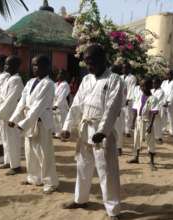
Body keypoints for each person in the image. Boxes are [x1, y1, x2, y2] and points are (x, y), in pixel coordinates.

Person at [61, 44, 123, 220]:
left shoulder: (114, 79)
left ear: (103, 59)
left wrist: (103, 130)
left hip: (102, 132)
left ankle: (113, 211)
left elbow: (112, 107)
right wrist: (67, 126)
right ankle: (80, 199)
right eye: (87, 63)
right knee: (82, 166)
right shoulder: (87, 79)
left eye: (93, 62)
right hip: (85, 129)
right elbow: (76, 104)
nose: (90, 66)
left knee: (107, 171)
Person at [9, 55, 59, 194]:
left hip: (41, 121)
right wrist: (14, 118)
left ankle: (50, 182)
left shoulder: (49, 84)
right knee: (30, 151)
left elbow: (39, 106)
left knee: (44, 153)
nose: (34, 68)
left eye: (37, 65)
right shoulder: (30, 82)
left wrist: (23, 124)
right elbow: (22, 102)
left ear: (46, 67)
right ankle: (34, 177)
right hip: (29, 120)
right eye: (33, 65)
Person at [0, 55, 24, 176]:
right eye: (5, 64)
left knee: (13, 140)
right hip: (4, 114)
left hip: (11, 114)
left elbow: (10, 100)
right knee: (5, 139)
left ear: (16, 66)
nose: (5, 66)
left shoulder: (16, 80)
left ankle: (16, 166)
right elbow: (0, 98)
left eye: (8, 64)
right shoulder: (8, 79)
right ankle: (8, 161)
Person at [127, 77, 158, 171]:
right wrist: (132, 122)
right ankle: (136, 157)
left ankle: (152, 161)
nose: (142, 87)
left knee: (150, 141)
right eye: (141, 85)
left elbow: (153, 112)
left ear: (149, 86)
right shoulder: (139, 97)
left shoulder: (153, 98)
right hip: (138, 121)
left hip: (147, 122)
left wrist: (151, 125)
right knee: (136, 140)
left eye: (144, 85)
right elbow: (135, 110)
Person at [111, 64, 126, 156]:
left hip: (118, 109)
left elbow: (123, 96)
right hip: (108, 108)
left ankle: (119, 147)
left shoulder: (122, 82)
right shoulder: (109, 80)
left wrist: (120, 107)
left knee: (118, 129)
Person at [161, 70, 173, 137]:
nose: (167, 76)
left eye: (169, 74)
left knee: (171, 117)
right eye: (167, 74)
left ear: (172, 75)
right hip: (162, 100)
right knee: (162, 116)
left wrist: (168, 101)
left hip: (170, 102)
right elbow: (161, 91)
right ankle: (163, 128)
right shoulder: (164, 82)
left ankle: (172, 131)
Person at [53, 69, 70, 139]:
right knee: (55, 119)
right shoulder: (55, 84)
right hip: (54, 103)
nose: (59, 75)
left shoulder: (65, 84)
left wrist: (56, 105)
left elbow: (62, 96)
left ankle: (63, 135)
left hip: (61, 105)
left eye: (61, 74)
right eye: (58, 74)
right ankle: (57, 133)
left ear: (65, 76)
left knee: (62, 120)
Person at [121, 62, 137, 137]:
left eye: (126, 68)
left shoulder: (132, 78)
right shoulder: (120, 77)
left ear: (129, 69)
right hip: (120, 98)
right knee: (121, 114)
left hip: (128, 99)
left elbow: (131, 88)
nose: (124, 69)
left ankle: (127, 130)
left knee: (128, 115)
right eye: (123, 68)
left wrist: (128, 99)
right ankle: (122, 129)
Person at [151, 77, 165, 144]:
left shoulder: (161, 91)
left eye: (155, 83)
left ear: (159, 84)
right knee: (152, 123)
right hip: (151, 108)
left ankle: (159, 138)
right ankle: (153, 137)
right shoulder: (152, 90)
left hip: (157, 109)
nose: (154, 84)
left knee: (157, 124)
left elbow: (156, 99)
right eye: (153, 83)